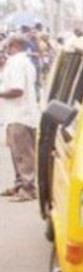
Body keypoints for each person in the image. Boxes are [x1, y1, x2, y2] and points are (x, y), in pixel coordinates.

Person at [0, 36, 41, 202]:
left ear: (15, 45)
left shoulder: (17, 63)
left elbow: (17, 90)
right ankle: (19, 185)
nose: (7, 49)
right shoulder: (22, 62)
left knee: (24, 154)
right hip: (16, 114)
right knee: (17, 153)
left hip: (20, 114)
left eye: (8, 46)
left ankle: (28, 188)